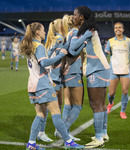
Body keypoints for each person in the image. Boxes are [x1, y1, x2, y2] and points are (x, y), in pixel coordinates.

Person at [19, 22, 84, 150]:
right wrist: (60, 55)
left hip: (33, 85)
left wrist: (57, 49)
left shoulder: (31, 45)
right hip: (43, 84)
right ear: (37, 32)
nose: (45, 32)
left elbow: (41, 61)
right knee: (55, 112)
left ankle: (31, 144)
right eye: (43, 30)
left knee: (40, 115)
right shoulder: (39, 46)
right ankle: (68, 141)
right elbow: (44, 62)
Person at [69, 6, 110, 148]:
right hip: (102, 68)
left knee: (95, 104)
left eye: (74, 15)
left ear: (81, 17)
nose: (72, 17)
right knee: (102, 104)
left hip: (96, 69)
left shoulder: (87, 31)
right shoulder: (88, 29)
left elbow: (72, 48)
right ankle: (103, 133)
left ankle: (98, 138)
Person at [105, 22, 130, 119]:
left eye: (119, 28)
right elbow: (105, 53)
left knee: (125, 91)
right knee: (111, 93)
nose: (117, 29)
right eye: (116, 28)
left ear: (123, 29)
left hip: (125, 70)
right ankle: (110, 103)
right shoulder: (110, 41)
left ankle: (122, 111)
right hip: (113, 71)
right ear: (114, 30)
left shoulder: (129, 41)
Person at [60, 14, 84, 141]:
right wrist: (84, 42)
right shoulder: (75, 33)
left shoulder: (68, 33)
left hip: (65, 72)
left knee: (68, 103)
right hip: (73, 72)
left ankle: (65, 131)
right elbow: (71, 52)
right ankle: (63, 130)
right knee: (78, 106)